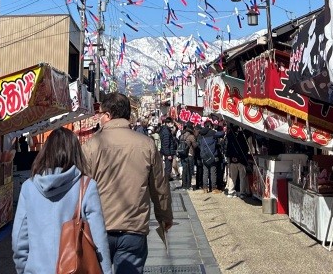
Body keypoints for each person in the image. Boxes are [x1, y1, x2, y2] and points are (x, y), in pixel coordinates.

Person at [83, 93, 173, 274]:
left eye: (100, 113)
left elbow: (82, 188)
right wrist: (164, 216)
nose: (99, 117)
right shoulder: (146, 144)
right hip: (134, 227)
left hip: (99, 227)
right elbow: (159, 186)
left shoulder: (90, 146)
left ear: (107, 115)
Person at [12, 128, 112, 274]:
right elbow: (99, 239)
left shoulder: (29, 187)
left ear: (46, 152)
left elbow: (19, 239)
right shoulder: (86, 186)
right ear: (76, 153)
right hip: (75, 269)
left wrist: (23, 269)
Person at [224, 127, 250, 197]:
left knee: (233, 177)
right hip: (241, 159)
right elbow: (249, 133)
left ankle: (230, 191)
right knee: (242, 177)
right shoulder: (243, 135)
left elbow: (227, 148)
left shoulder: (229, 136)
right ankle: (242, 192)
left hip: (232, 158)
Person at [197, 123, 222, 193]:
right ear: (210, 126)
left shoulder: (201, 134)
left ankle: (205, 188)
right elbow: (221, 134)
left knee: (205, 172)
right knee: (213, 172)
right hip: (212, 155)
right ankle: (213, 188)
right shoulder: (212, 132)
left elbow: (198, 144)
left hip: (204, 156)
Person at [178, 123, 196, 190]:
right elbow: (195, 146)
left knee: (184, 170)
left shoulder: (181, 136)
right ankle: (188, 185)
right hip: (189, 154)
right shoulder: (191, 136)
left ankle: (183, 185)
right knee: (189, 170)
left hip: (182, 154)